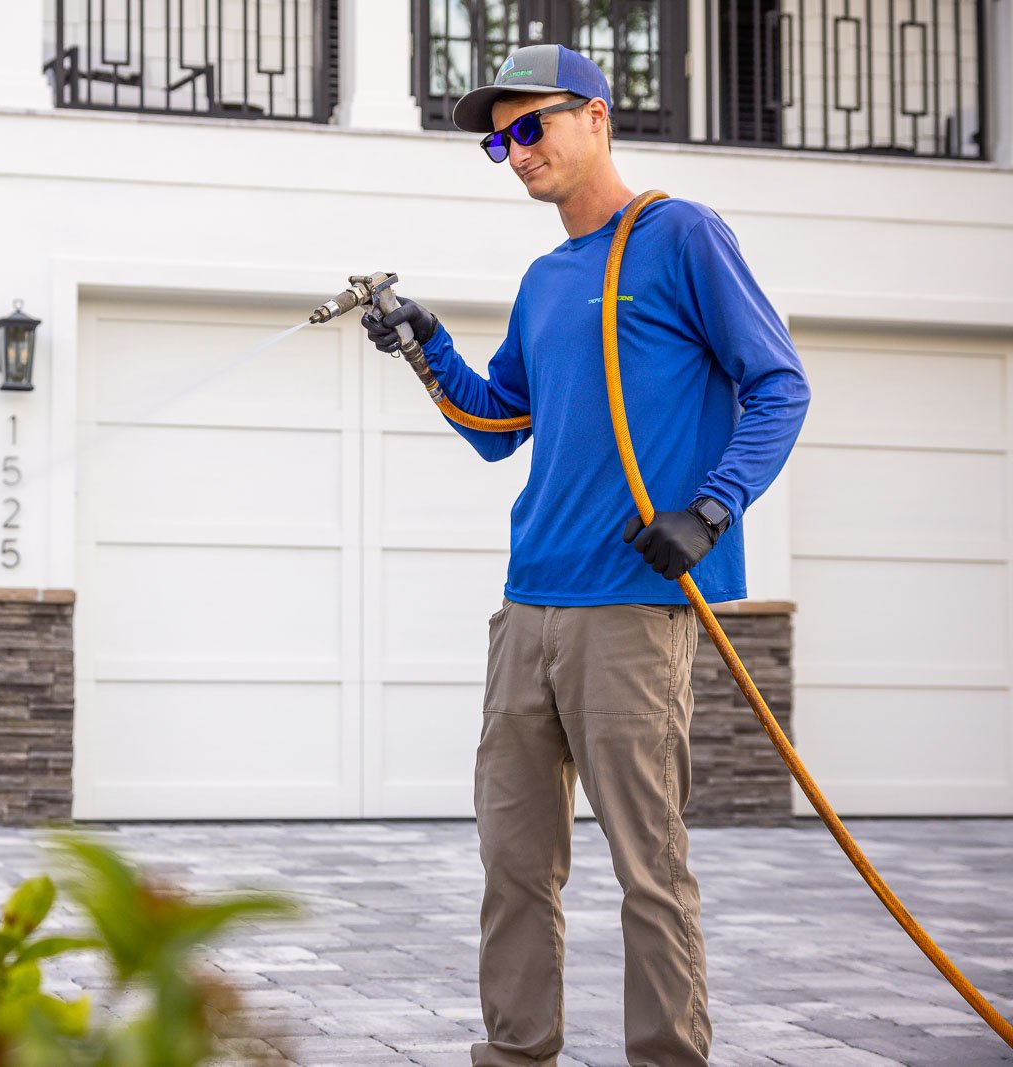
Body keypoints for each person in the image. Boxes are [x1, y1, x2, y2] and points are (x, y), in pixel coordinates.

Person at [360, 44, 811, 1067]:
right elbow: (496, 423)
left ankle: (666, 1057)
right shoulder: (544, 277)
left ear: (596, 115)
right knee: (513, 862)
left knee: (648, 865)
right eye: (498, 138)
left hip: (629, 608)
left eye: (533, 126)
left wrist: (710, 509)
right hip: (528, 607)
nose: (516, 150)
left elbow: (778, 384)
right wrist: (426, 344)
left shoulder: (679, 234)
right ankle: (515, 1052)